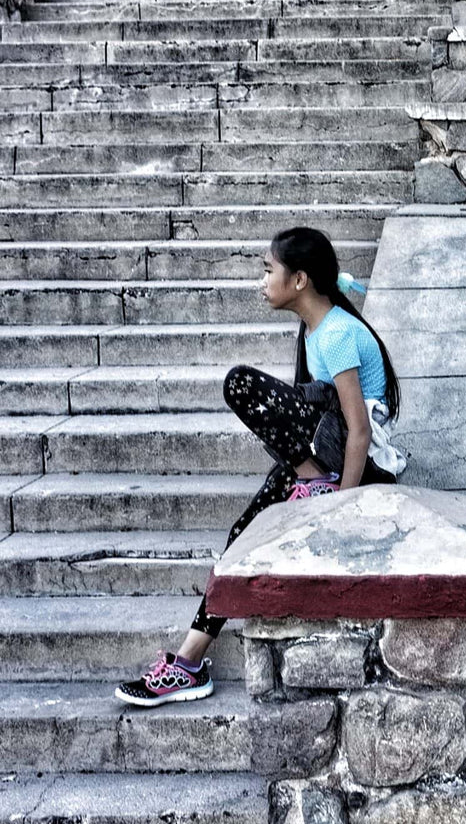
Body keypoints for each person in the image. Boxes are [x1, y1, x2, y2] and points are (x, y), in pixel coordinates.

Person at [114, 226, 404, 707]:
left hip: (359, 467)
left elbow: (359, 430)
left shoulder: (335, 334)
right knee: (242, 534)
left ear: (299, 280)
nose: (262, 281)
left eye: (269, 270)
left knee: (241, 384)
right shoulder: (315, 329)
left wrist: (341, 502)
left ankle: (314, 481)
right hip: (326, 457)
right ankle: (188, 663)